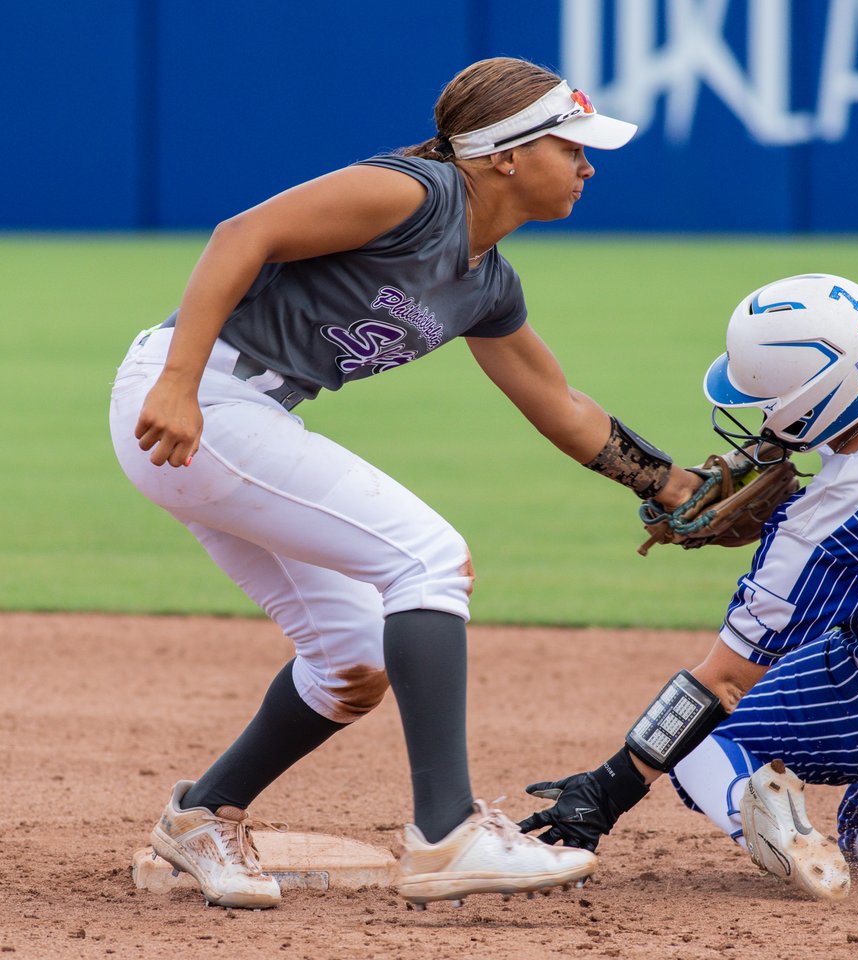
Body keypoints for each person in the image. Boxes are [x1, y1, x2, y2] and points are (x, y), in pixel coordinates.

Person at [108, 56, 703, 911]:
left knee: (351, 658)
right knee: (428, 560)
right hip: (198, 400)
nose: (588, 163)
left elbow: (563, 406)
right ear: (504, 154)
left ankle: (202, 815)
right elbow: (243, 234)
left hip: (238, 416)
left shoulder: (487, 283)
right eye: (571, 144)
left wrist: (673, 486)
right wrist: (177, 379)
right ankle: (447, 833)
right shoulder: (417, 193)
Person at [518, 272, 858, 900]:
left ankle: (792, 848)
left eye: (765, 401)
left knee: (706, 749)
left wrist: (607, 789)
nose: (757, 415)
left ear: (810, 403)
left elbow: (723, 682)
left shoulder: (822, 525)